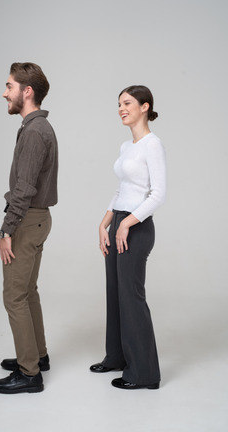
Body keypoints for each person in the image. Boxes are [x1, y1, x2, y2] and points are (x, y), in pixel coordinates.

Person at [90, 85, 166, 390]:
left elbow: (157, 194)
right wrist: (106, 222)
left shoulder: (152, 144)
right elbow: (122, 190)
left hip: (137, 227)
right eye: (119, 104)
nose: (121, 108)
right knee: (115, 293)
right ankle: (117, 357)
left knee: (132, 297)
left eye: (127, 103)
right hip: (119, 222)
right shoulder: (126, 147)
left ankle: (145, 373)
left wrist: (127, 224)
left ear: (144, 107)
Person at [0, 62, 58, 394]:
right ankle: (38, 356)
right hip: (38, 218)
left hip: (27, 220)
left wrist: (6, 231)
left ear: (26, 92)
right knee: (28, 292)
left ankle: (30, 374)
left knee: (14, 296)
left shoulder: (33, 132)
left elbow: (24, 189)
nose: (5, 92)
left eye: (9, 86)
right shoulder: (39, 128)